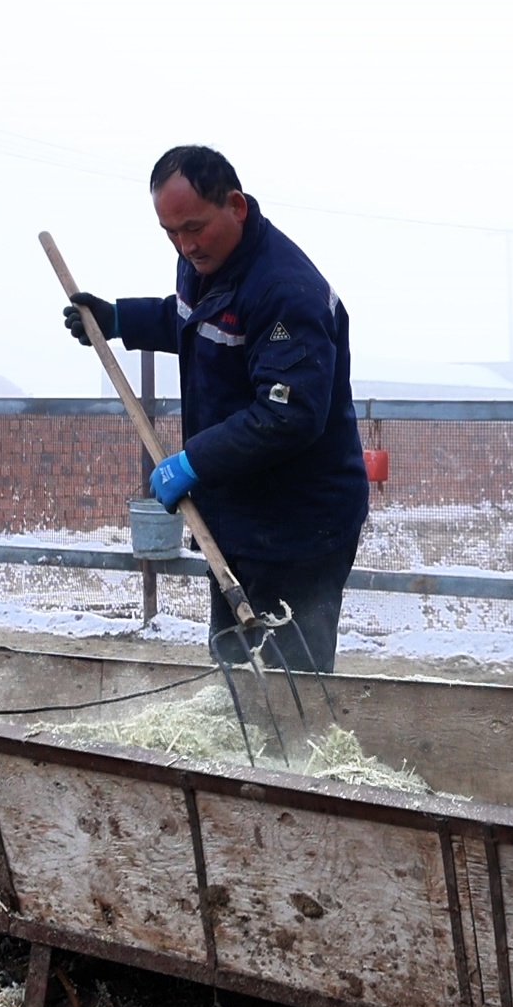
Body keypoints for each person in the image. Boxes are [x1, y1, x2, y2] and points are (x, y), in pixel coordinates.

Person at [63, 145, 368, 672]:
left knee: (291, 678)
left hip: (299, 523)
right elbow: (192, 320)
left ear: (236, 206)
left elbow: (289, 415)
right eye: (171, 233)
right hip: (237, 512)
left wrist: (194, 460)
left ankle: (293, 753)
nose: (185, 245)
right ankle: (235, 746)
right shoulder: (205, 264)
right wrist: (120, 320)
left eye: (195, 228)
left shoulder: (284, 292)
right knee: (234, 658)